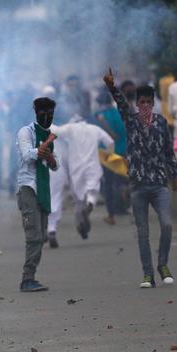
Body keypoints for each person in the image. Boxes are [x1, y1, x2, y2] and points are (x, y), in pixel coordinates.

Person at [104, 69, 177, 289]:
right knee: (143, 232)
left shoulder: (160, 122)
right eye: (142, 102)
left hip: (159, 184)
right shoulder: (131, 121)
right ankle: (148, 274)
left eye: (149, 101)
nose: (145, 105)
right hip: (138, 185)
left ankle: (163, 264)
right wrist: (112, 88)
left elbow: (168, 150)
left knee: (166, 224)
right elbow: (121, 104)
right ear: (137, 104)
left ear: (153, 102)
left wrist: (174, 174)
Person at [46, 113, 113, 246]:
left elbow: (54, 130)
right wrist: (109, 156)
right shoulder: (95, 129)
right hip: (92, 165)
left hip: (74, 168)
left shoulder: (70, 129)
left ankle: (52, 228)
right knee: (92, 189)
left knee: (74, 198)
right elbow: (110, 142)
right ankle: (91, 202)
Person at [15, 97, 59, 293]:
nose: (47, 117)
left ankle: (31, 276)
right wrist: (45, 145)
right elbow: (27, 155)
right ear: (35, 111)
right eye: (44, 113)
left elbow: (54, 165)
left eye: (51, 113)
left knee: (41, 236)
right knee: (33, 235)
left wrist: (48, 150)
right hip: (28, 187)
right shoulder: (26, 132)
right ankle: (27, 279)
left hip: (43, 188)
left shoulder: (48, 134)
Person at [93, 90, 128, 225]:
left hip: (106, 154)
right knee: (120, 181)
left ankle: (111, 214)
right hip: (121, 151)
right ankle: (123, 206)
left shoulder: (98, 116)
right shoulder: (118, 113)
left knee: (108, 183)